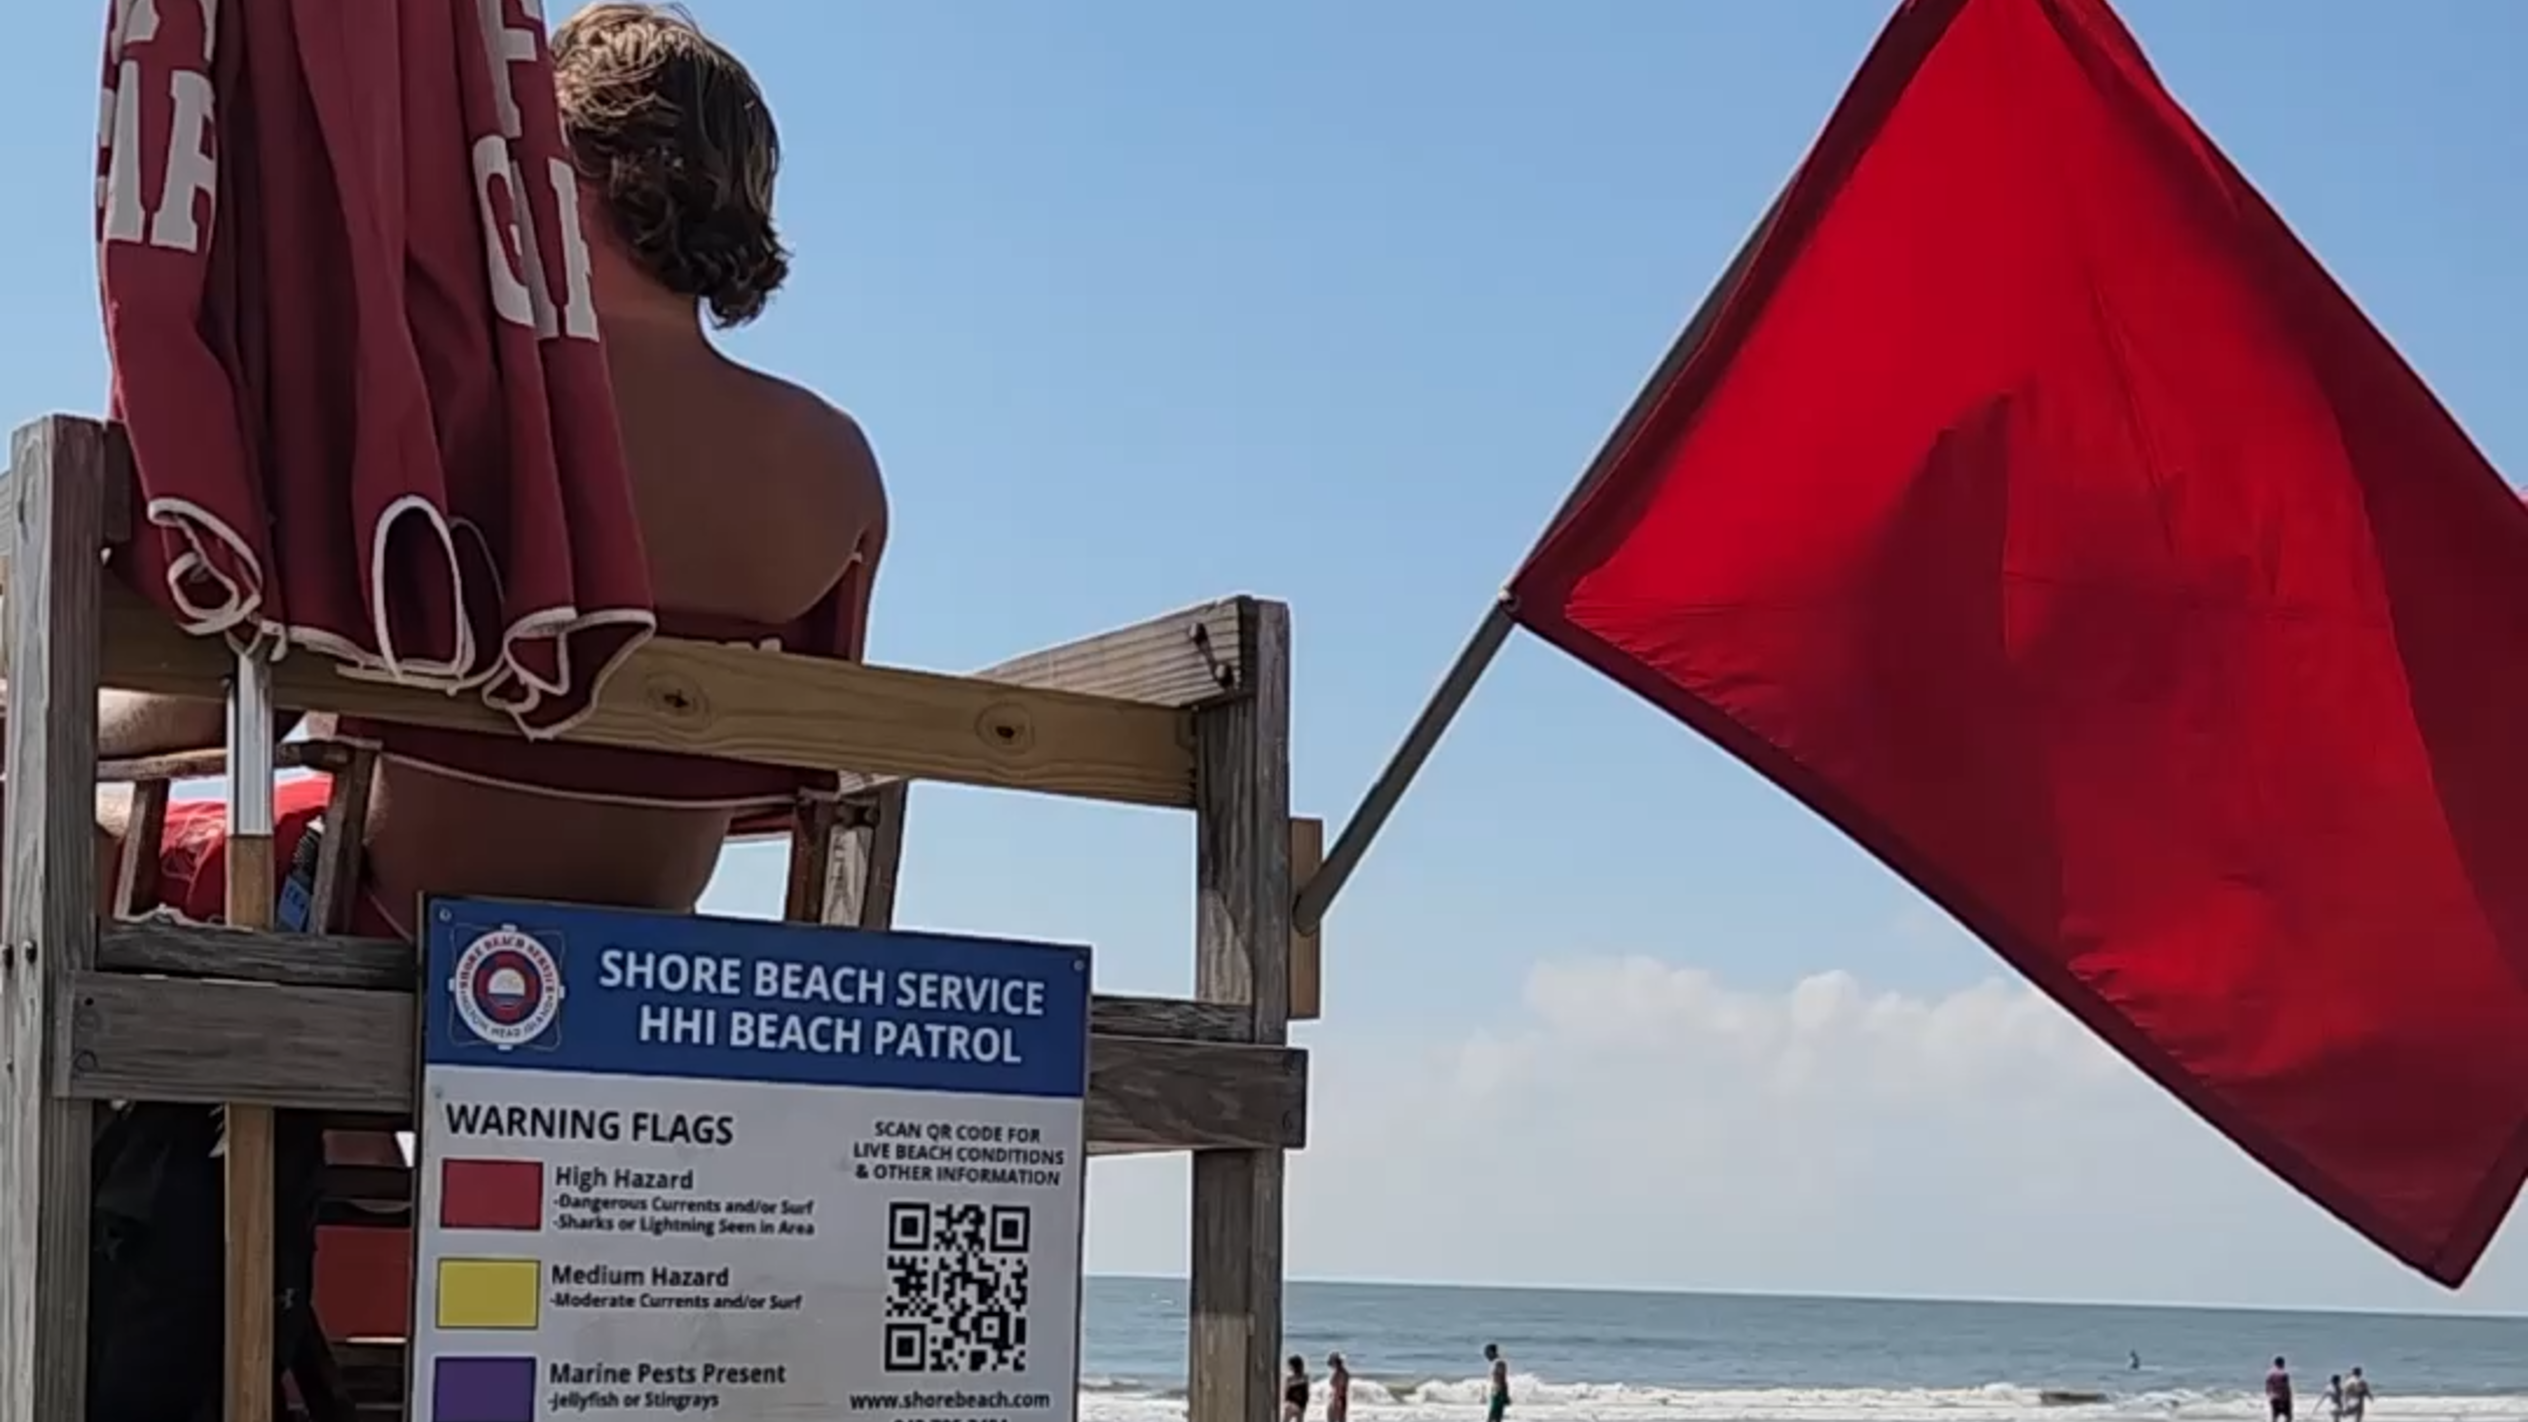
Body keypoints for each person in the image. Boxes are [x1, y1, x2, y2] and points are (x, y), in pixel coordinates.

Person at [94, 3, 885, 1159]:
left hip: (396, 932)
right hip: (650, 957)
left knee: (81, 829)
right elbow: (792, 777)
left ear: (554, 177)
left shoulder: (460, 410)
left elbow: (226, 696)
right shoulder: (837, 467)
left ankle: (269, 1228)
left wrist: (52, 722)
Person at [1485, 1343, 1512, 1422]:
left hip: (1499, 1392)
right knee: (1495, 1417)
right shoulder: (1495, 1362)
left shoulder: (1499, 1362)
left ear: (1492, 1352)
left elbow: (1501, 1378)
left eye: (1487, 1352)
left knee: (1493, 1416)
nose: (1486, 1355)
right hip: (1496, 1391)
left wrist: (1504, 1394)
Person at [2266, 1357, 2293, 1422]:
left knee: (2275, 1417)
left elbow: (2268, 1387)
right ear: (2282, 1364)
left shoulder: (2270, 1374)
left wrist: (2270, 1396)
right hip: (2283, 1398)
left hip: (2274, 1397)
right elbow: (2285, 1387)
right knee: (2288, 1417)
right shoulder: (2284, 1374)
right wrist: (2289, 1397)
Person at [1284, 1355, 1310, 1422]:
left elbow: (1287, 1392)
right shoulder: (1305, 1377)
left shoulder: (1290, 1378)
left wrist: (1286, 1401)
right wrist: (1304, 1405)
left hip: (1291, 1403)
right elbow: (1306, 1393)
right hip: (1301, 1404)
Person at [1326, 1353, 1351, 1422]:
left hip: (1338, 1398)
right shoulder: (1342, 1372)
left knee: (1335, 1418)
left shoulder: (1339, 1373)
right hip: (1339, 1398)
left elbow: (1340, 1388)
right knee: (1338, 1418)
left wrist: (1337, 1400)